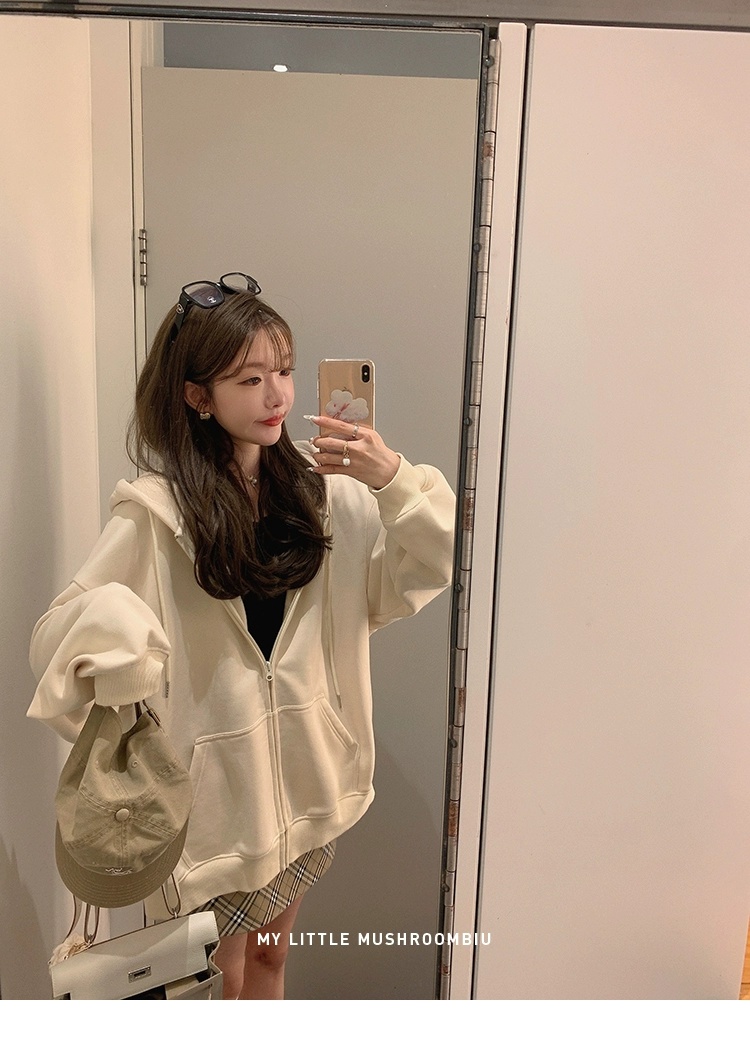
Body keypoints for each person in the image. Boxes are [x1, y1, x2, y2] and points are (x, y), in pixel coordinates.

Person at [28, 272, 455, 1000]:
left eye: (283, 372)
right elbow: (60, 635)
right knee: (213, 983)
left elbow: (423, 567)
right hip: (215, 814)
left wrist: (392, 481)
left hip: (306, 790)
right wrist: (123, 640)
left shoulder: (326, 492)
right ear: (199, 396)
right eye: (249, 379)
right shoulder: (157, 515)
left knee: (271, 961)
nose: (276, 396)